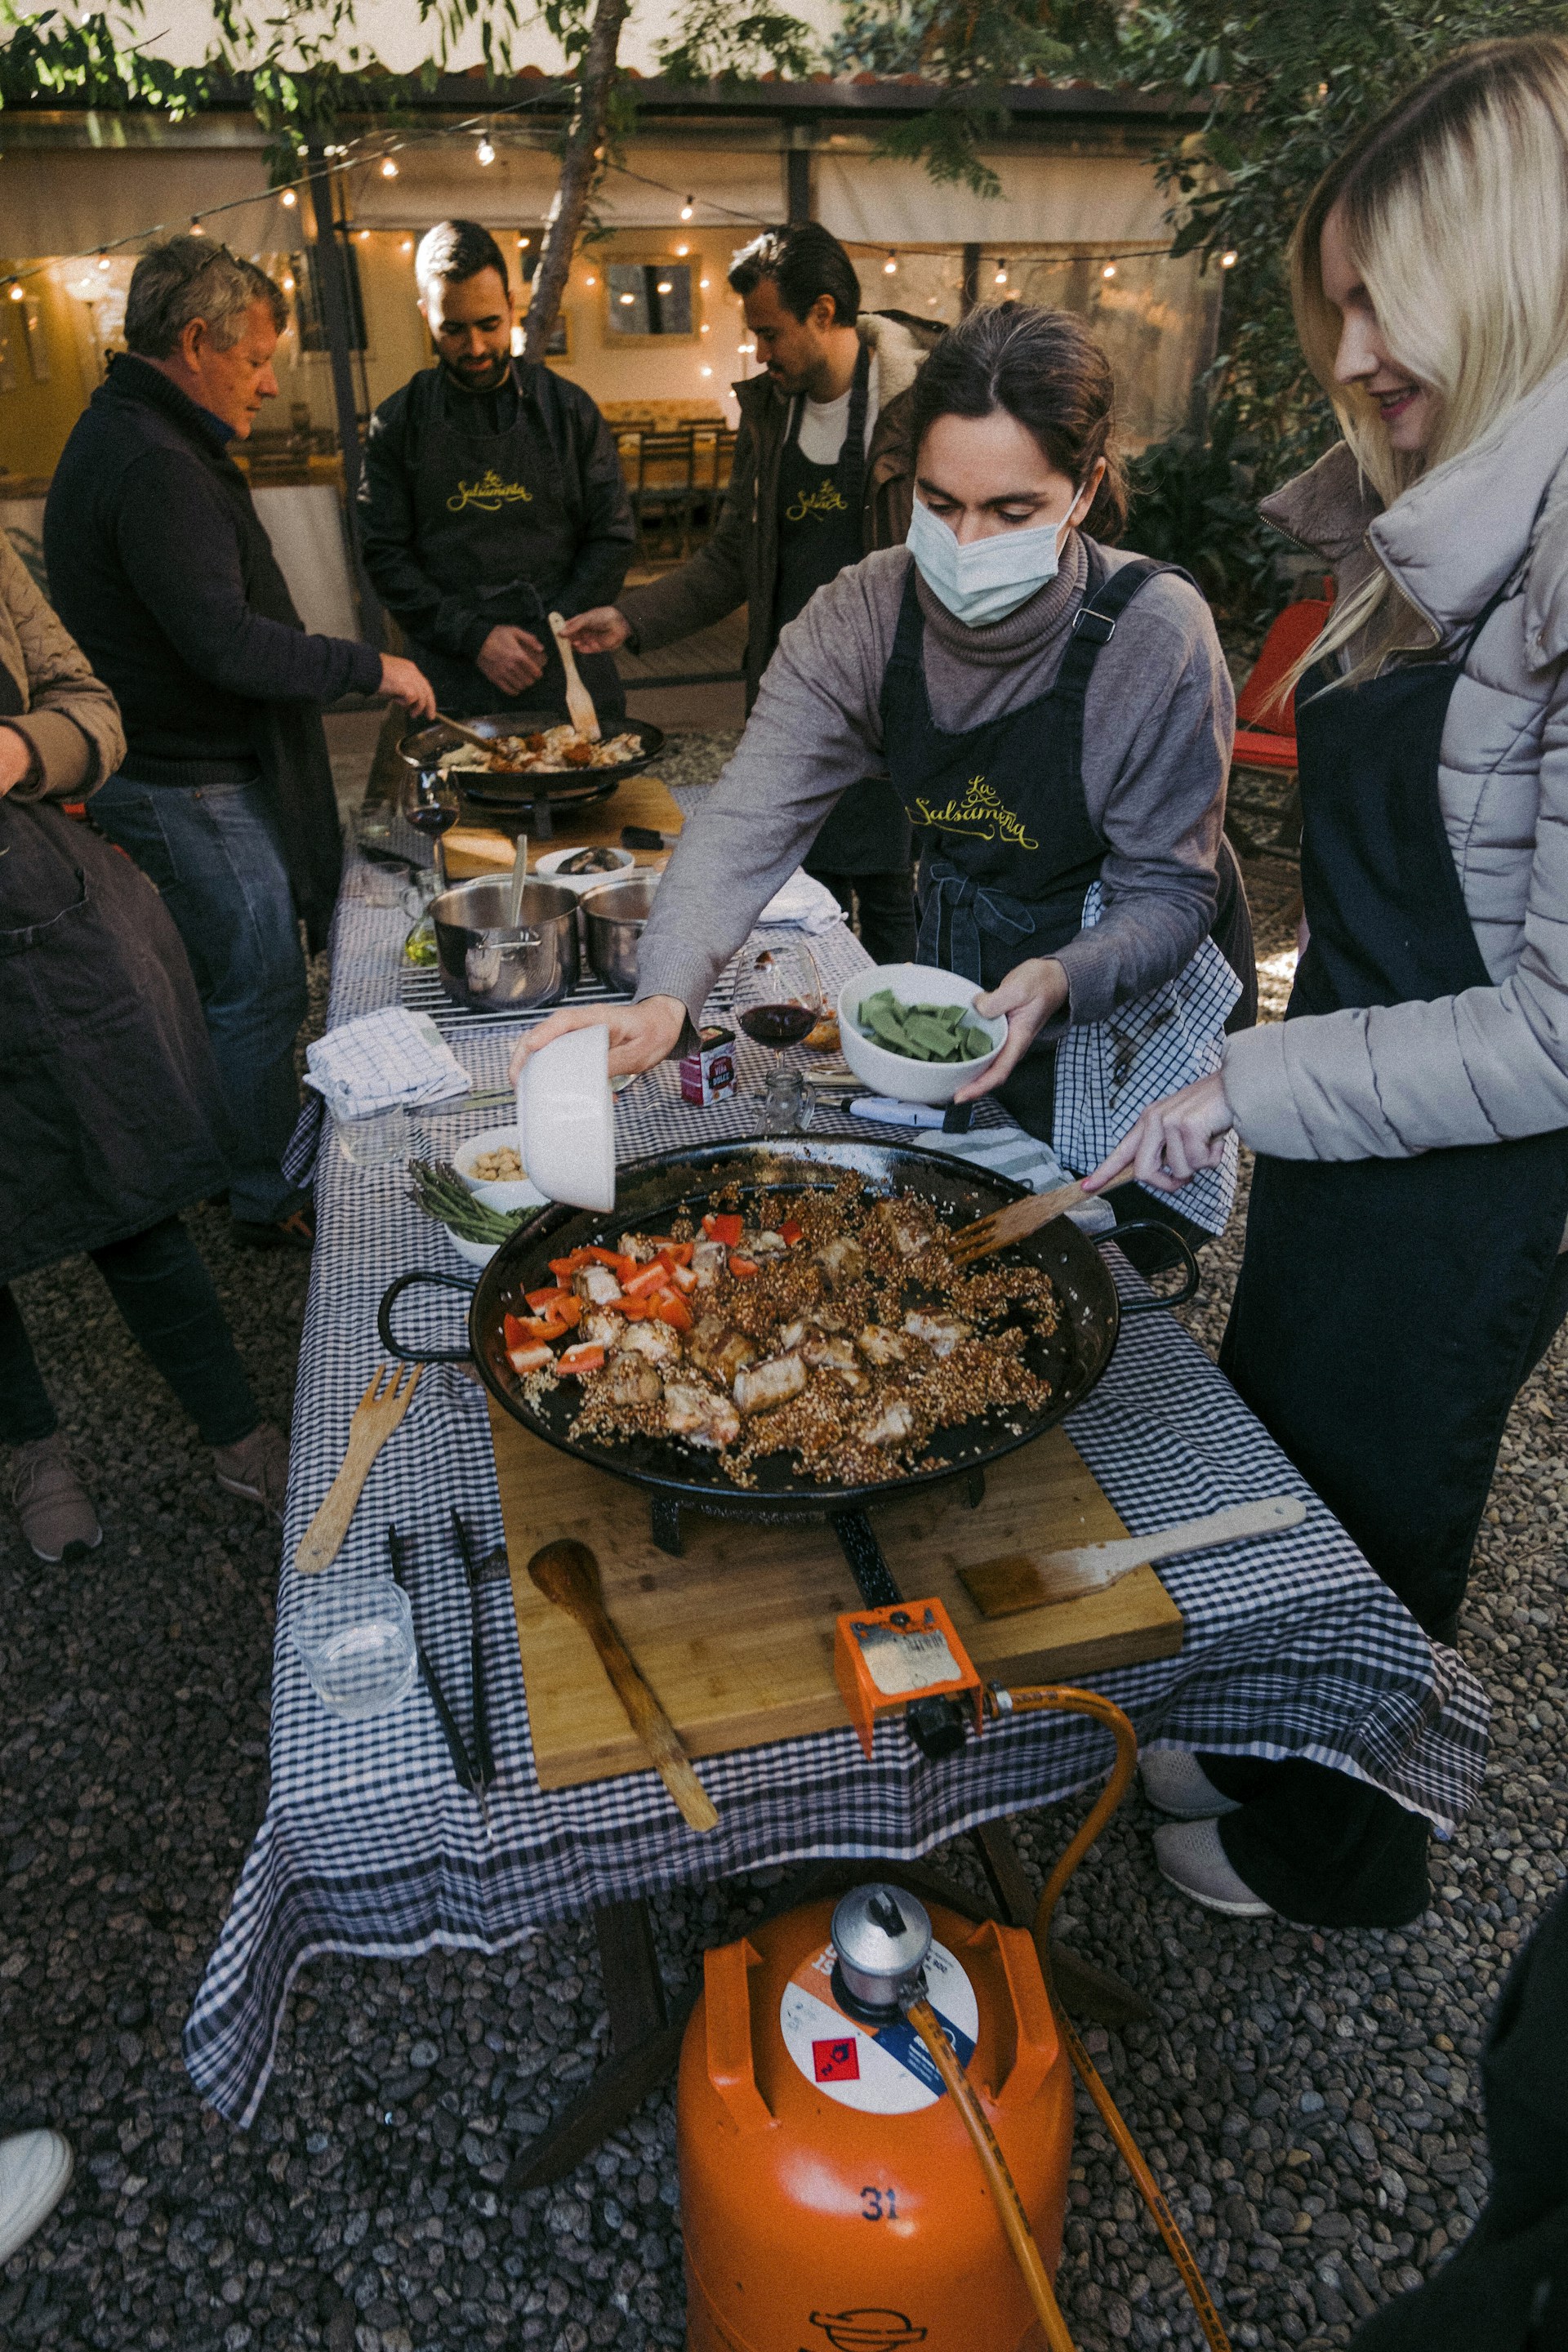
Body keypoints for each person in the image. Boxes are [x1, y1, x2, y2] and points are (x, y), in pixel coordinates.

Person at [1083, 35, 1568, 1929]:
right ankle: (1266, 1733)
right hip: (1356, 1073)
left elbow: (1555, 1025)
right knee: (1279, 1436)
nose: (1356, 346)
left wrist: (1248, 1085)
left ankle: (1339, 1850)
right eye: (1340, 299)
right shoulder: (1448, 508)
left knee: (1385, 1497)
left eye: (1394, 295)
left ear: (1520, 257)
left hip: (1475, 1157)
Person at [516, 301, 1253, 1239]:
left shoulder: (1153, 636)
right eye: (940, 505)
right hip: (974, 956)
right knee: (968, 1205)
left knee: (1110, 1242)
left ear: (1085, 488)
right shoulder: (863, 615)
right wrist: (666, 995)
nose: (968, 544)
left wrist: (1064, 976)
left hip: (1128, 976)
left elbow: (1171, 890)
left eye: (1013, 511)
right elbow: (746, 819)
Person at [44, 237, 434, 1251]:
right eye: (257, 358)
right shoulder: (151, 459)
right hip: (189, 786)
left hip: (187, 776)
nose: (268, 383)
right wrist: (367, 666)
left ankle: (245, 1160)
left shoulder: (135, 429)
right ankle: (262, 1192)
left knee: (242, 985)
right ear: (195, 340)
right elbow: (223, 643)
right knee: (257, 991)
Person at [0, 524, 290, 1556]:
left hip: (25, 915)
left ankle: (234, 1431)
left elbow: (89, 705)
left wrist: (21, 747)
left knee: (122, 1176)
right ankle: (36, 1450)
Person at [563, 223, 942, 964]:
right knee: (807, 896)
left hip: (889, 699)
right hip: (796, 701)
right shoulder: (771, 412)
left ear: (824, 314)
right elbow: (733, 556)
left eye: (769, 333)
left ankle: (902, 1061)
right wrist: (631, 619)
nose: (759, 354)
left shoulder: (915, 408)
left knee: (895, 898)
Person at [359, 218, 635, 722]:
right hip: (452, 676)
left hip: (566, 660)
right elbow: (385, 555)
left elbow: (612, 536)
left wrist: (555, 628)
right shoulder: (398, 423)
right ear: (426, 314)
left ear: (511, 306)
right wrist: (474, 638)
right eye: (454, 329)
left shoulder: (569, 410)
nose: (477, 348)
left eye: (489, 324)